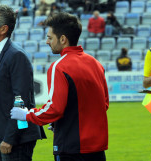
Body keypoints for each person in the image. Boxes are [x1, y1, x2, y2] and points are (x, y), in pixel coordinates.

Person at [11, 12, 109, 161]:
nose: (47, 42)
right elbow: (104, 104)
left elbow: (54, 109)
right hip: (97, 148)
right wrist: (61, 121)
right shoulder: (95, 63)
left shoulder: (59, 67)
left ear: (62, 39)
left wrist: (26, 114)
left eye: (50, 37)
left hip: (71, 147)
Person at [0, 4, 46, 161]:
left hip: (15, 136)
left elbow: (21, 101)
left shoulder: (16, 56)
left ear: (3, 29)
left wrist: (10, 137)